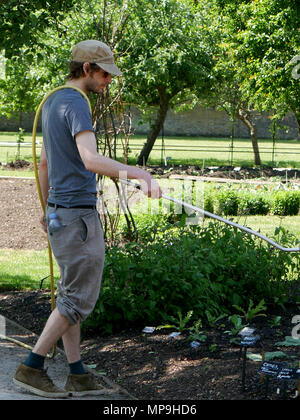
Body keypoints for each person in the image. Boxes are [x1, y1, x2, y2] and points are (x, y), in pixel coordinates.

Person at [13, 39, 162, 398]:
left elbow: (45, 162)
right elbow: (90, 160)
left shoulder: (52, 102)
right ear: (86, 70)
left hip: (62, 216)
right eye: (104, 73)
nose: (108, 80)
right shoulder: (76, 103)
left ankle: (77, 373)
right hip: (78, 218)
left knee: (69, 295)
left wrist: (49, 209)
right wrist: (138, 174)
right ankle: (31, 367)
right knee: (77, 301)